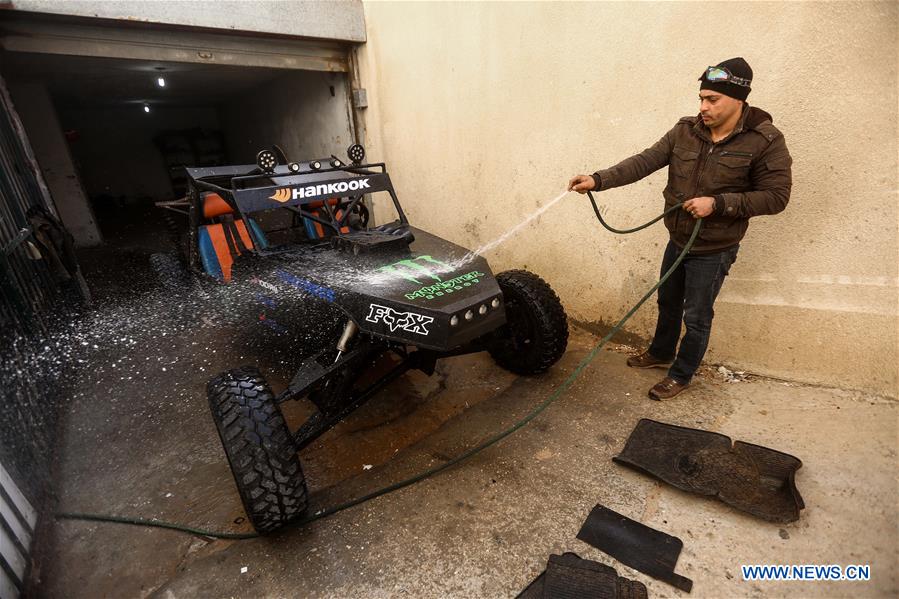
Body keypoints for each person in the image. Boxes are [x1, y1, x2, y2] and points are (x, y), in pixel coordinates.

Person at [568, 57, 792, 400]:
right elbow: (644, 161)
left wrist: (718, 204)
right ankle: (661, 352)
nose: (703, 106)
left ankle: (681, 373)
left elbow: (776, 197)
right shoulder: (685, 131)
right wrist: (597, 180)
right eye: (701, 98)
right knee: (668, 301)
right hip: (678, 238)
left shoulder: (764, 141)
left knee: (697, 315)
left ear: (738, 99)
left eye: (712, 100)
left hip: (714, 248)